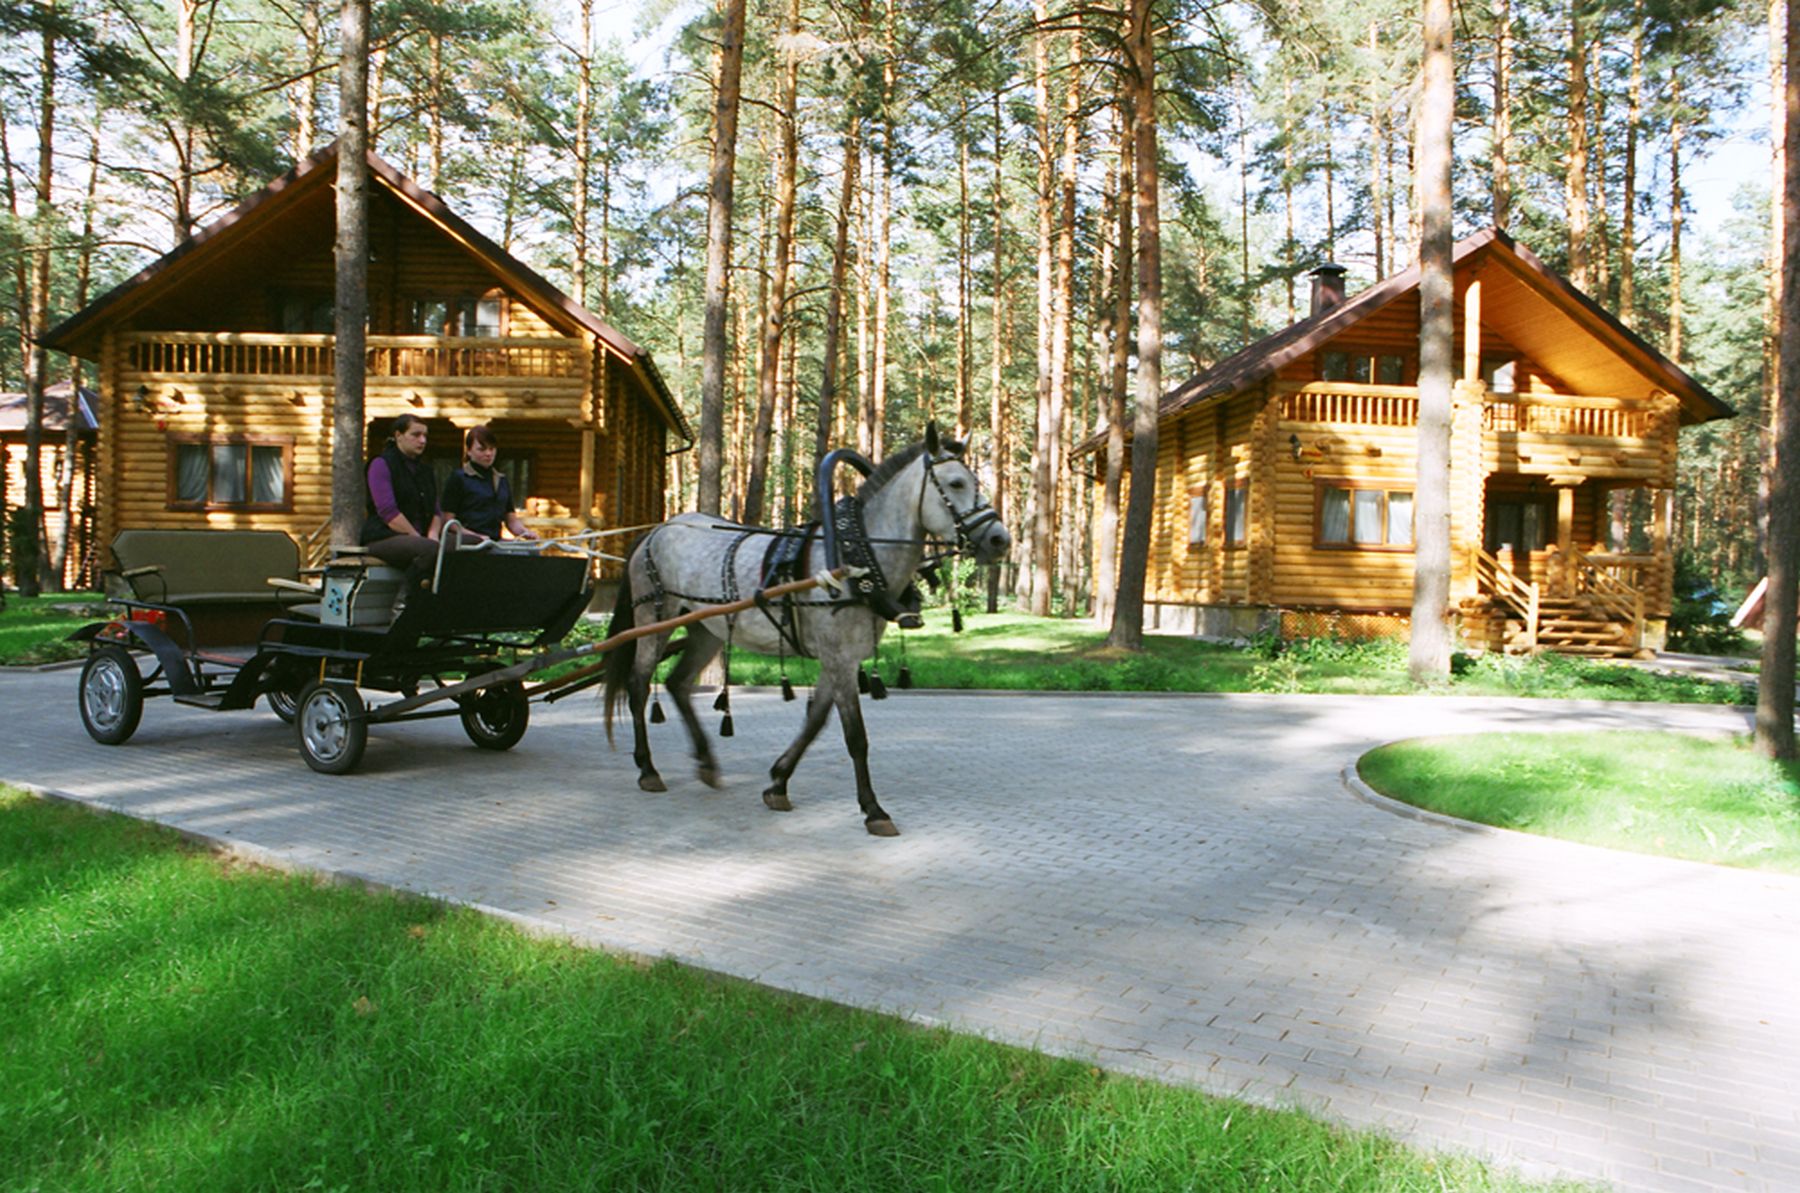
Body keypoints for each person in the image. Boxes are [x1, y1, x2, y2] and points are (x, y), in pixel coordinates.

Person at [360, 413, 442, 568]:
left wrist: (433, 535)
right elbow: (388, 512)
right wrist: (416, 537)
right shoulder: (381, 464)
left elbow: (436, 510)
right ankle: (413, 584)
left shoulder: (425, 470)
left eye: (425, 436)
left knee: (469, 545)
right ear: (398, 435)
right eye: (416, 435)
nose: (422, 441)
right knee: (428, 549)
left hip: (423, 535)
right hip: (384, 536)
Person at [436, 424, 538, 542]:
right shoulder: (459, 478)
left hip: (494, 542)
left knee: (529, 550)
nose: (488, 453)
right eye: (482, 449)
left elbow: (511, 521)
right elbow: (448, 521)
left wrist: (525, 532)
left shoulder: (501, 480)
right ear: (469, 451)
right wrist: (475, 537)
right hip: (467, 543)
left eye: (492, 449)